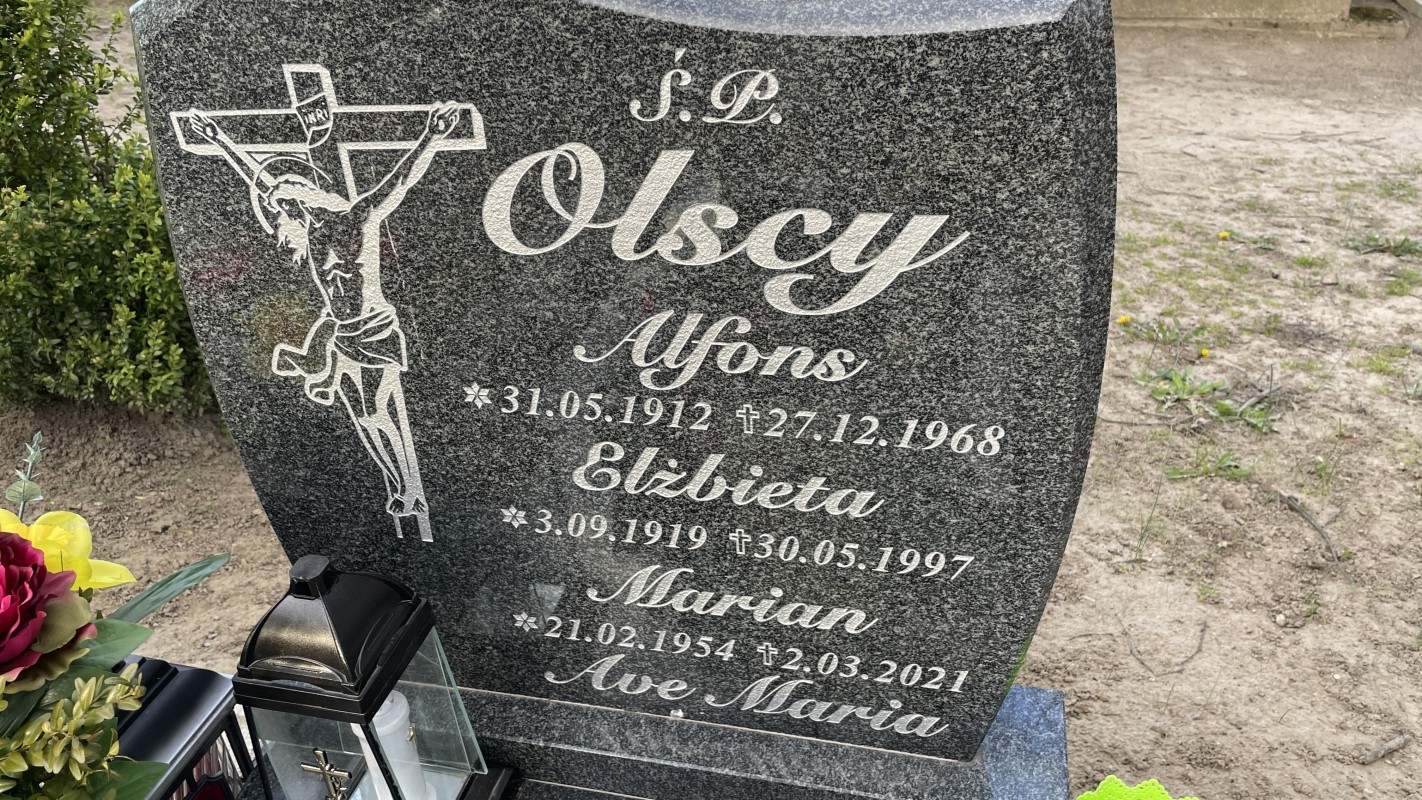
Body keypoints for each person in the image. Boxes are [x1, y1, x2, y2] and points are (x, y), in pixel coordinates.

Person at [187, 104, 462, 542]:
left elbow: (400, 182)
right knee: (363, 419)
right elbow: (258, 178)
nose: (279, 230)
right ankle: (399, 486)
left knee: (376, 412)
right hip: (344, 337)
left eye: (282, 218)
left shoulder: (358, 219)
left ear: (301, 207)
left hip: (375, 330)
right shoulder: (313, 237)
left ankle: (412, 484)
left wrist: (432, 135)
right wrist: (219, 139)